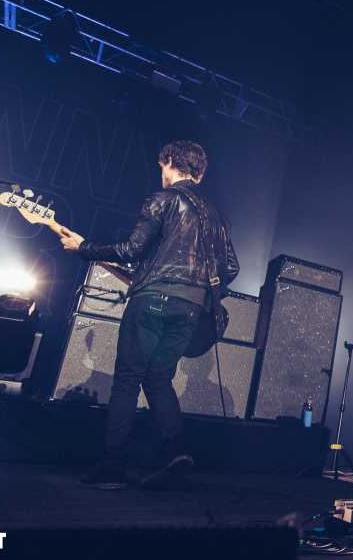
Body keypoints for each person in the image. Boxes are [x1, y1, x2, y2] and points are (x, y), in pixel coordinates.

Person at [60, 140, 239, 490]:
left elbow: (131, 250)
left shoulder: (164, 199)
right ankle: (177, 449)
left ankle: (113, 466)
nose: (161, 172)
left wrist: (82, 248)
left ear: (170, 162)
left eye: (162, 165)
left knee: (128, 379)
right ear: (199, 173)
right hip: (191, 307)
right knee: (158, 378)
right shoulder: (220, 217)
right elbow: (230, 268)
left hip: (153, 299)